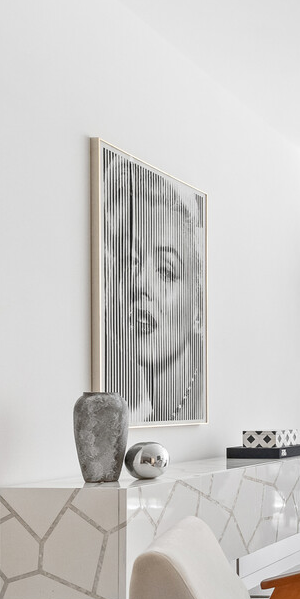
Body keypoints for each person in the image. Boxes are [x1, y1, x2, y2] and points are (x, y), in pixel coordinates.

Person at [102, 155, 206, 423]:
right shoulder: (143, 417)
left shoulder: (199, 406)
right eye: (130, 260)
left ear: (199, 309)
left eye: (166, 270)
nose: (139, 283)